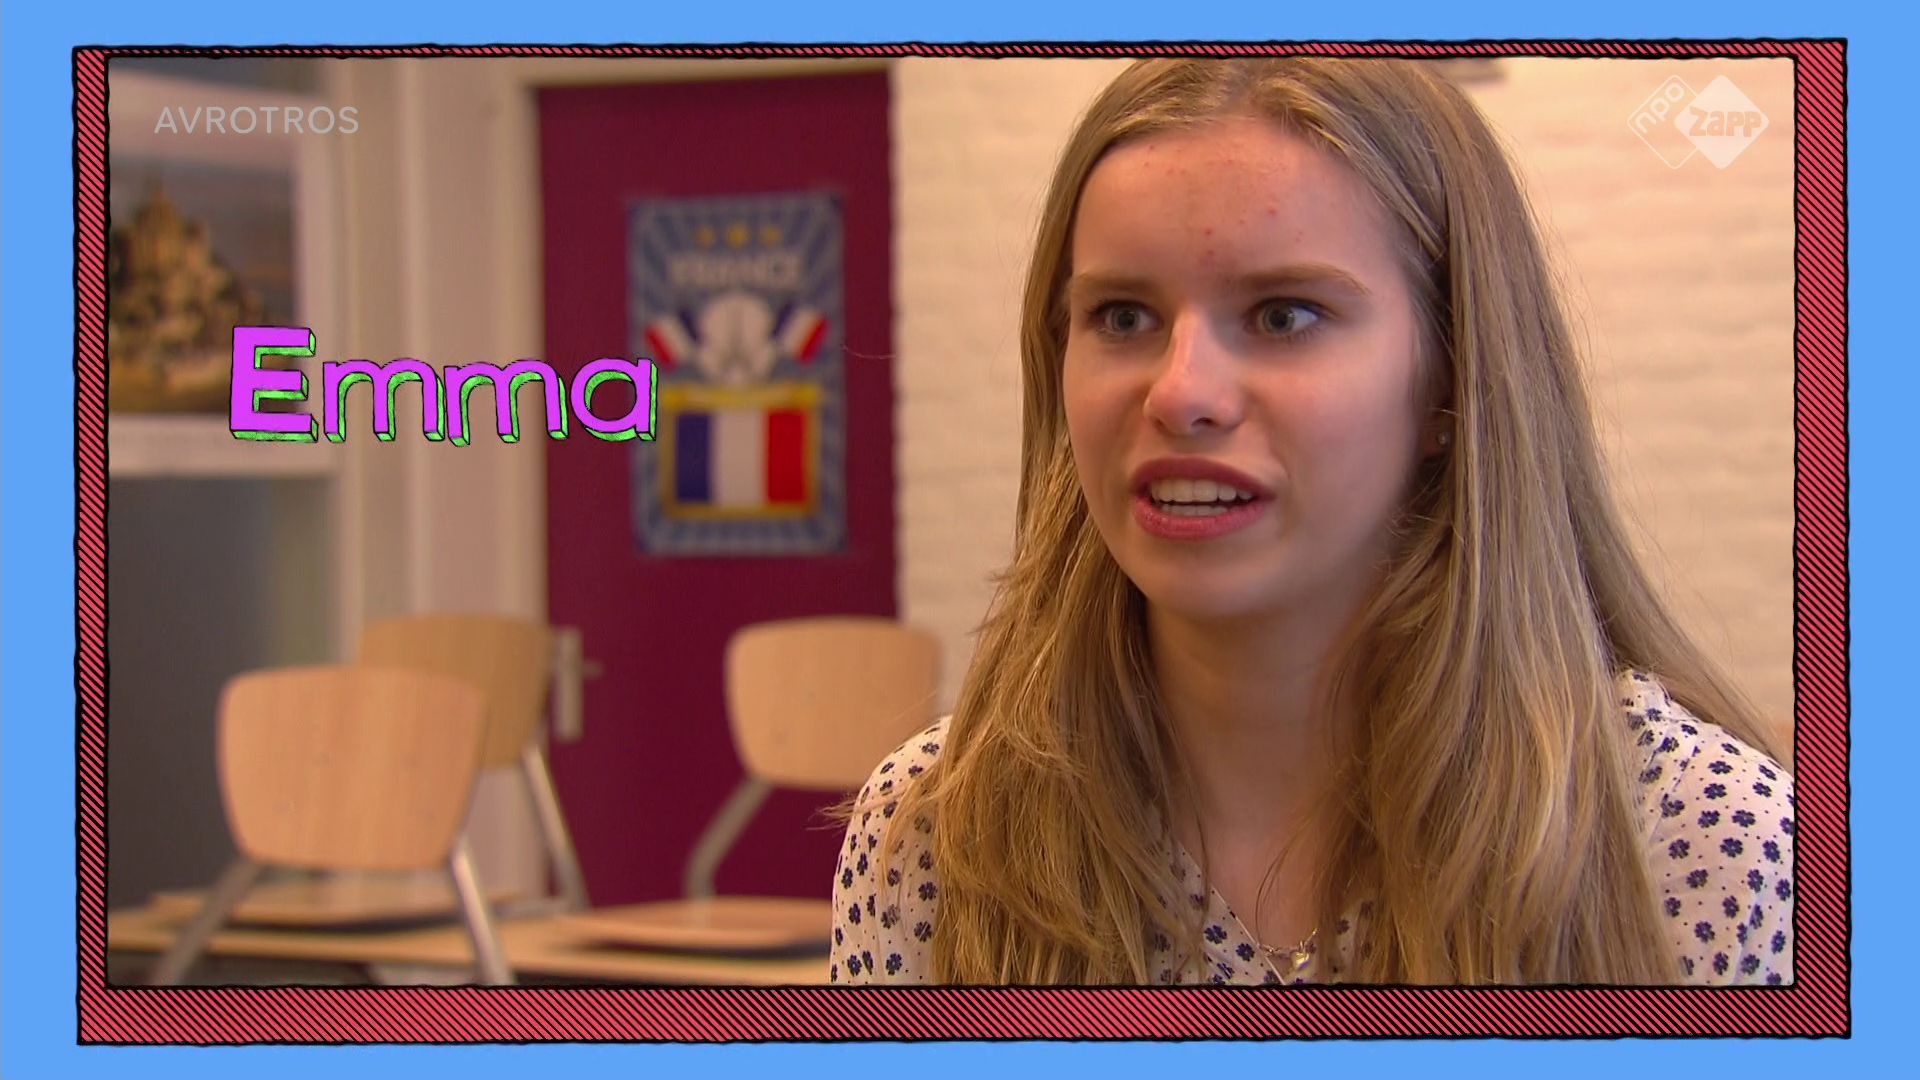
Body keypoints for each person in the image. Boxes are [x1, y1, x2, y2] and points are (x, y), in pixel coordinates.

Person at [830, 58, 1793, 985]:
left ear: (1451, 379)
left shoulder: (1704, 846)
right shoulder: (933, 836)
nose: (1182, 393)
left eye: (1283, 315)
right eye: (1122, 317)